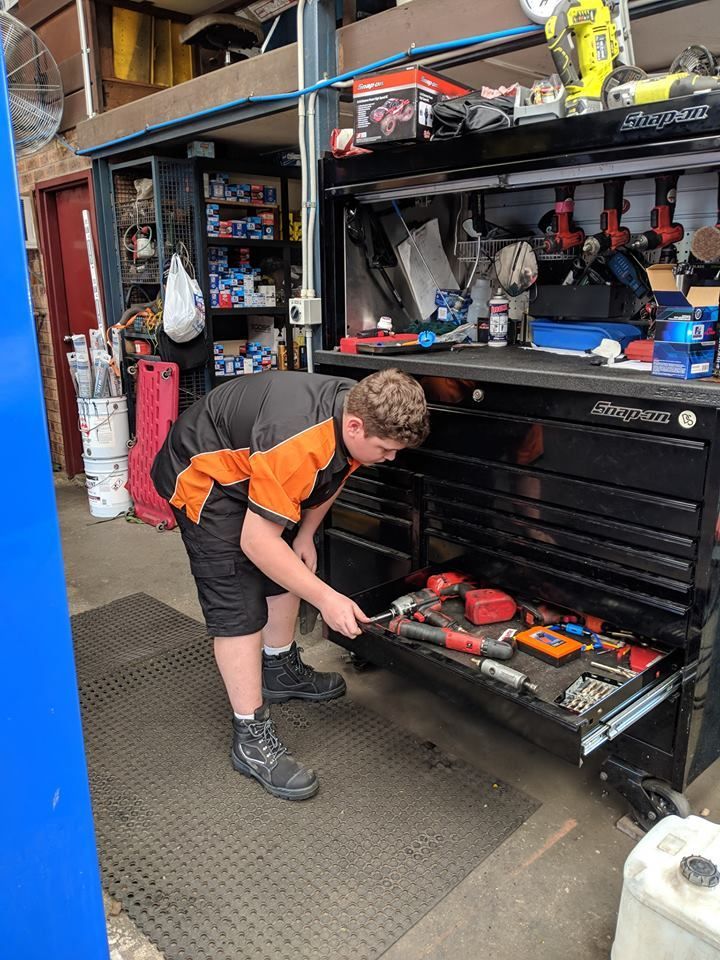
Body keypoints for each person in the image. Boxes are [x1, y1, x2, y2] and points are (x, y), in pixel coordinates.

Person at [151, 367, 429, 800]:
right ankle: (250, 737)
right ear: (355, 425)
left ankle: (278, 670)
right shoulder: (298, 439)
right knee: (238, 604)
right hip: (204, 476)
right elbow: (255, 540)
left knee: (286, 565)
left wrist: (303, 534)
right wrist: (327, 599)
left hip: (254, 467)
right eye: (386, 450)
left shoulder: (351, 410)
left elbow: (333, 477)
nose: (391, 458)